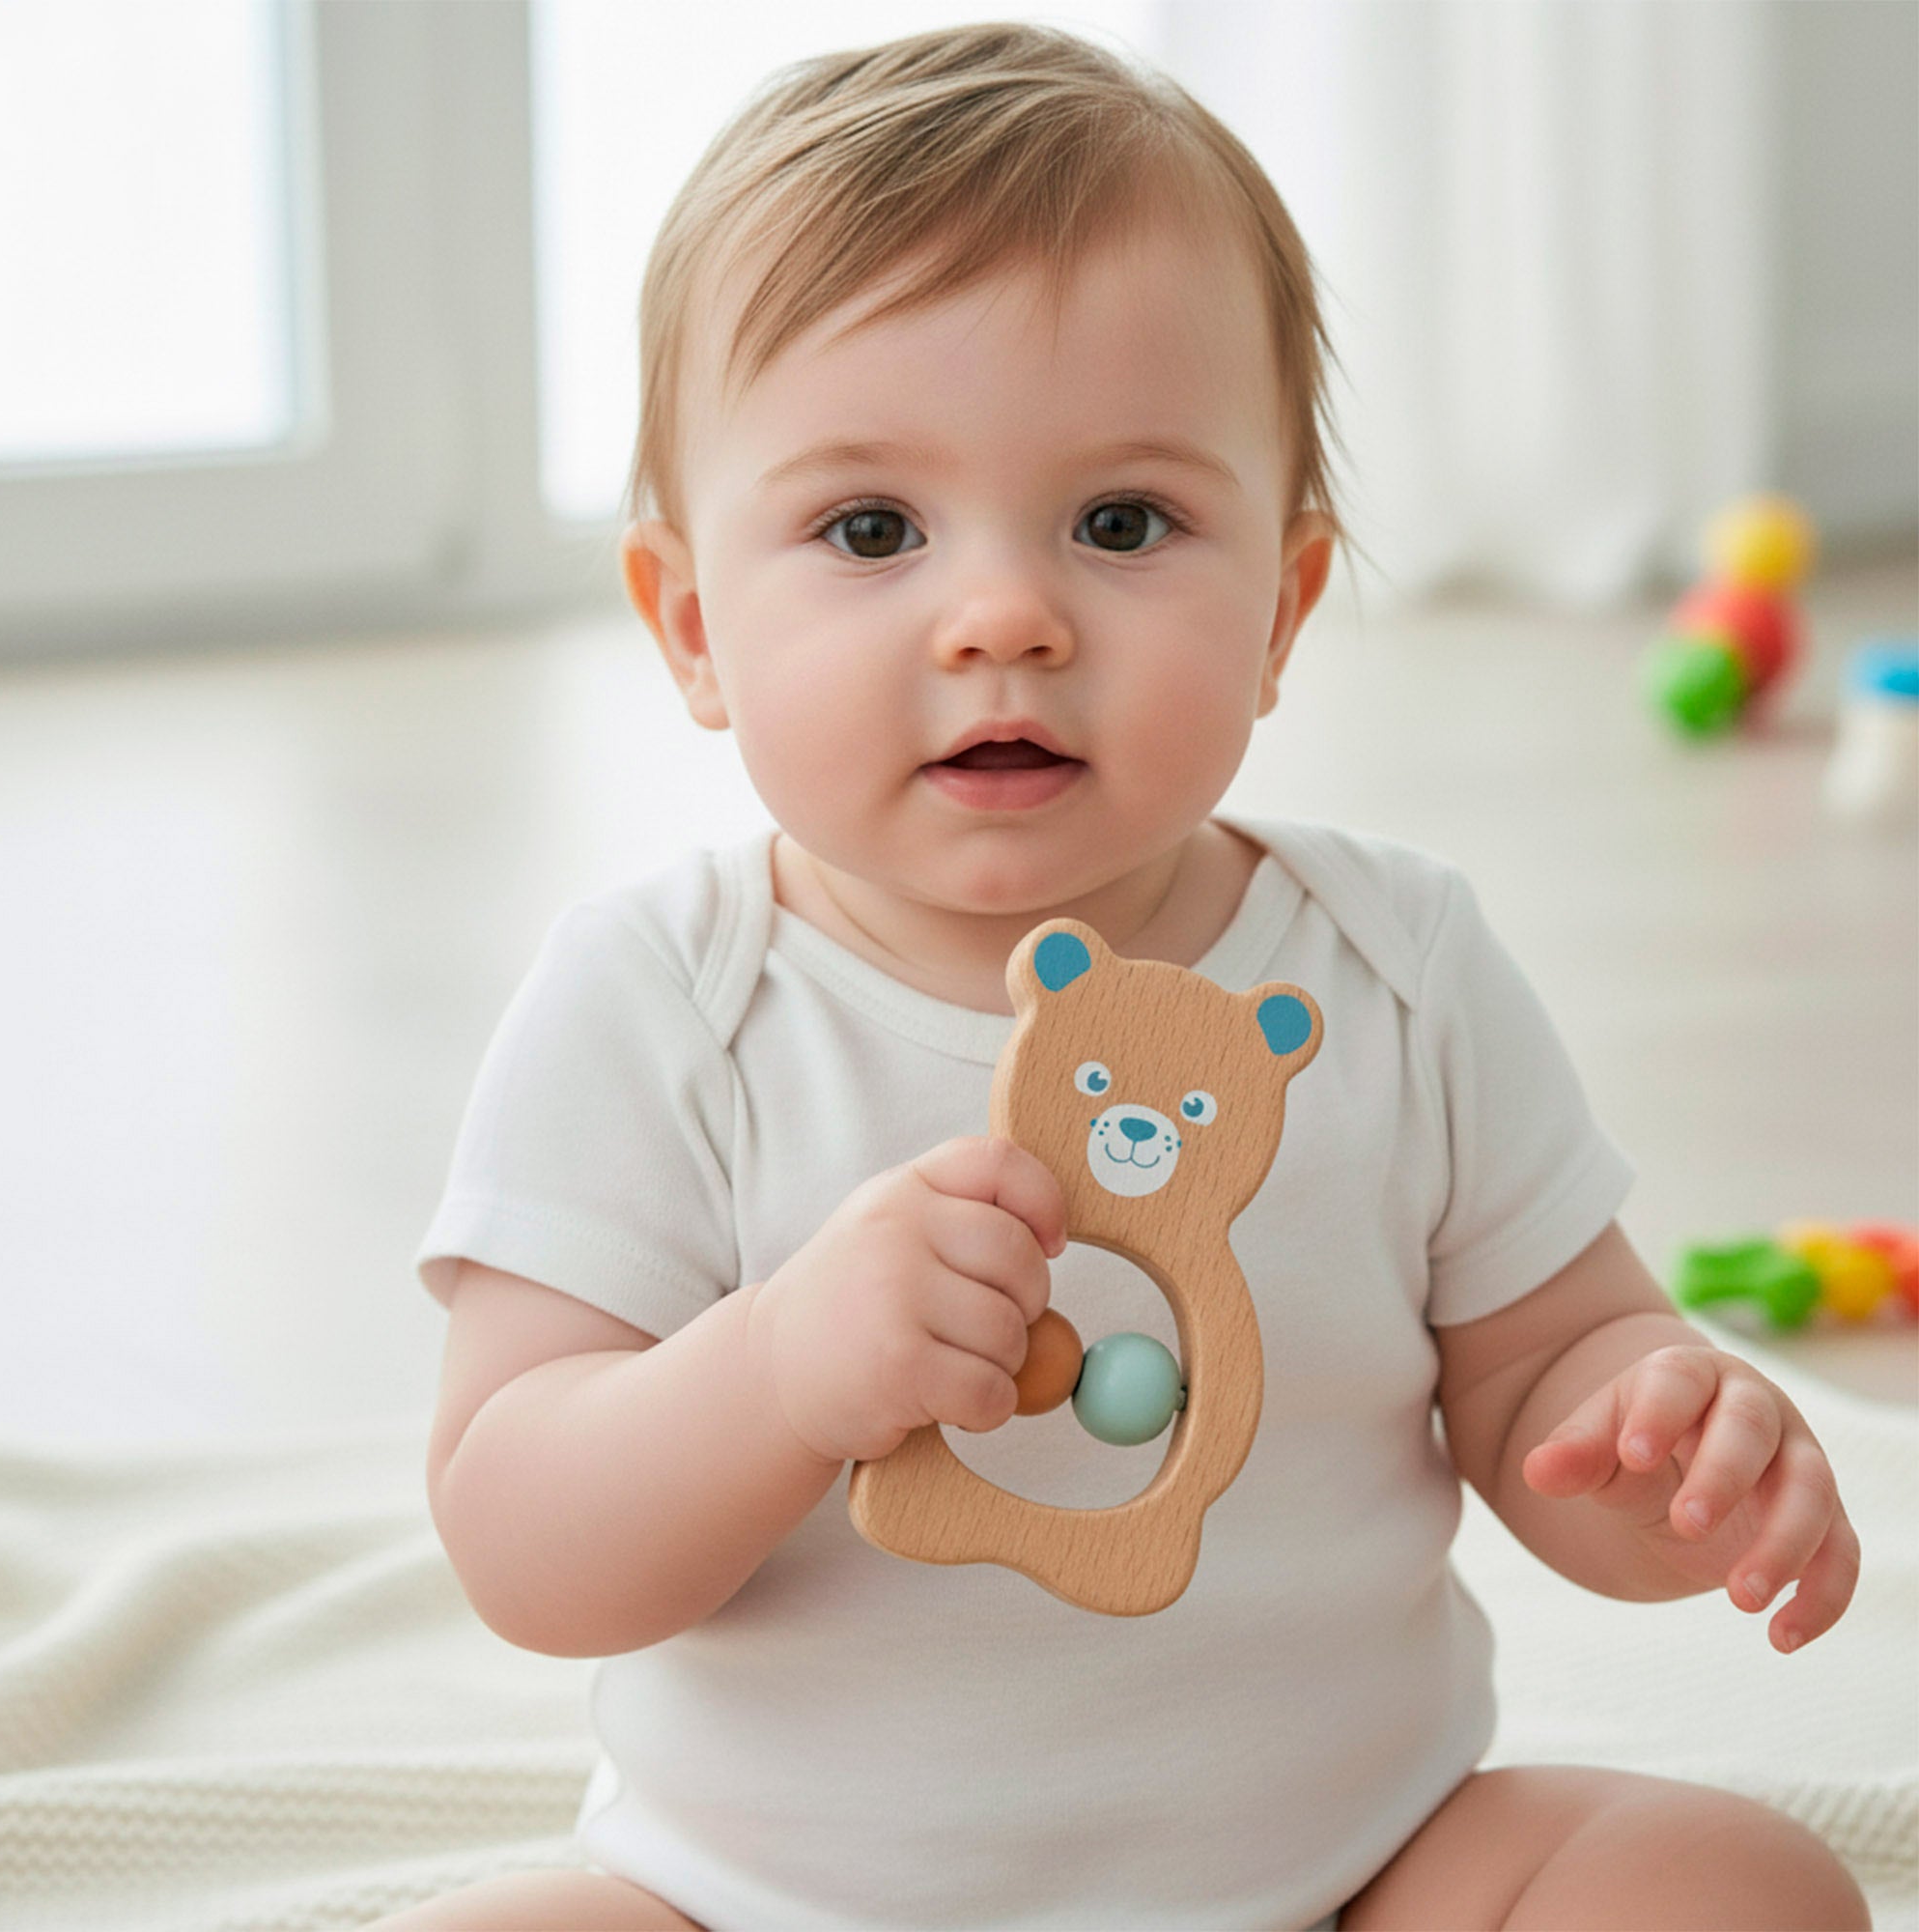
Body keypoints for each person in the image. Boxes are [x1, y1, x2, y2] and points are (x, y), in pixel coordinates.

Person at [381, 24, 1868, 1932]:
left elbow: (1542, 1375)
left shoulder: (1390, 969)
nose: (1004, 612)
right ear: (690, 624)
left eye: (1121, 521)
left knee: (1723, 1888)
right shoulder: (668, 1002)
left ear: (1280, 607)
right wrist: (770, 1371)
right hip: (766, 1905)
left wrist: (1667, 1439)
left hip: (1348, 1875)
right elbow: (525, 1540)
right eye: (868, 530)